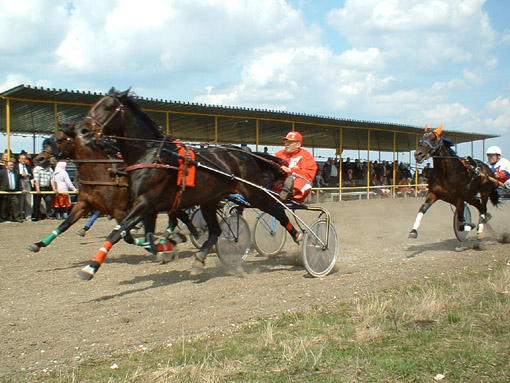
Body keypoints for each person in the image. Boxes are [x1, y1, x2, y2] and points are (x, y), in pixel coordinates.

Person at [275, 131, 318, 202]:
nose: (286, 144)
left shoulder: (306, 155)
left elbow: (308, 175)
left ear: (298, 144)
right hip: (281, 181)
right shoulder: (279, 154)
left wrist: (290, 171)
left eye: (290, 142)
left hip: (298, 182)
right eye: (286, 142)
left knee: (302, 182)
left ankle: (287, 194)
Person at [17, 153, 33, 220]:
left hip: (27, 182)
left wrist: (29, 175)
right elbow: (16, 175)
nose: (24, 160)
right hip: (20, 182)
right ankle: (20, 215)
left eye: (24, 159)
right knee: (21, 201)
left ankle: (28, 216)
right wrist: (21, 175)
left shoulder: (27, 166)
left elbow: (31, 174)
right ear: (19, 159)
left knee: (28, 201)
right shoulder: (16, 166)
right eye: (22, 159)